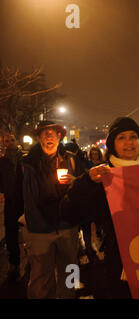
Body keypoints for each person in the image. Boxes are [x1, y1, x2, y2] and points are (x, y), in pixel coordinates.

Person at [60, 117, 139, 298]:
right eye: (121, 138)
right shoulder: (103, 176)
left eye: (133, 136)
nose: (129, 142)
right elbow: (68, 212)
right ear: (113, 145)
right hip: (120, 258)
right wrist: (87, 182)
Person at [17, 121, 81, 298]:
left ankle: (70, 295)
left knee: (71, 269)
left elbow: (84, 188)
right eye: (44, 134)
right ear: (38, 138)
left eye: (53, 133)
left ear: (59, 137)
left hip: (68, 226)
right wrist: (20, 224)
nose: (49, 137)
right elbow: (15, 197)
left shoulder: (72, 158)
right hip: (38, 229)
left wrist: (75, 181)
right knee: (40, 277)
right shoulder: (25, 163)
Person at [0, 133, 24, 282]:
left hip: (26, 201)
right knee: (11, 233)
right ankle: (14, 263)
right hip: (10, 202)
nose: (9, 143)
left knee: (30, 231)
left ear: (17, 141)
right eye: (6, 141)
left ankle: (33, 260)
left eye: (11, 140)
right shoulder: (2, 162)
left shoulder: (25, 159)